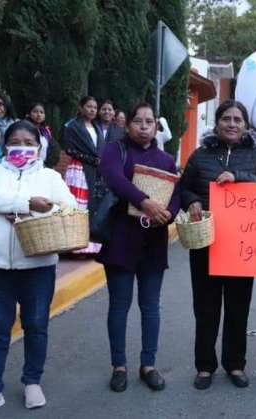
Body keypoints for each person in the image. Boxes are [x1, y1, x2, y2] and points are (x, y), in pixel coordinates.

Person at [0, 120, 76, 419]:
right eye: (16, 141)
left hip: (38, 264)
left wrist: (22, 210)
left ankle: (32, 381)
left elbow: (67, 206)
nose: (23, 147)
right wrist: (26, 204)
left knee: (36, 326)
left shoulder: (50, 177)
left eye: (30, 143)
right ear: (5, 146)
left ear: (40, 147)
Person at [180, 99, 256, 390]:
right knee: (206, 307)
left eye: (238, 120)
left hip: (242, 244)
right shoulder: (200, 155)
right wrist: (193, 200)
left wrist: (239, 177)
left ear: (245, 126)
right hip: (206, 241)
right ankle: (205, 366)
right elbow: (183, 187)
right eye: (226, 119)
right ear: (217, 123)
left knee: (238, 307)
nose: (232, 124)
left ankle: (235, 364)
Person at [98, 102, 181, 393]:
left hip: (153, 239)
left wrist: (167, 213)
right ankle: (118, 366)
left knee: (150, 306)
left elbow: (176, 193)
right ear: (128, 125)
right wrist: (145, 202)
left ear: (156, 127)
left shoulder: (166, 159)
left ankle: (149, 365)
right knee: (119, 306)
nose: (145, 126)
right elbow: (115, 179)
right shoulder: (115, 151)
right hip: (122, 238)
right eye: (138, 121)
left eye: (150, 122)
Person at [62, 95, 104, 255]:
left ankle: (90, 245)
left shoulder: (98, 127)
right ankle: (74, 245)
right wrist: (91, 159)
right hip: (79, 170)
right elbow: (70, 149)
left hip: (95, 170)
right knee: (77, 206)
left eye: (95, 107)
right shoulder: (72, 126)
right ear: (81, 108)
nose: (92, 110)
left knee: (92, 206)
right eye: (89, 106)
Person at [25, 102, 61, 167]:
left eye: (41, 112)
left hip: (44, 165)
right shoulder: (24, 129)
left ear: (44, 116)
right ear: (29, 114)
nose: (39, 114)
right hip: (28, 165)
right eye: (35, 111)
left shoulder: (46, 132)